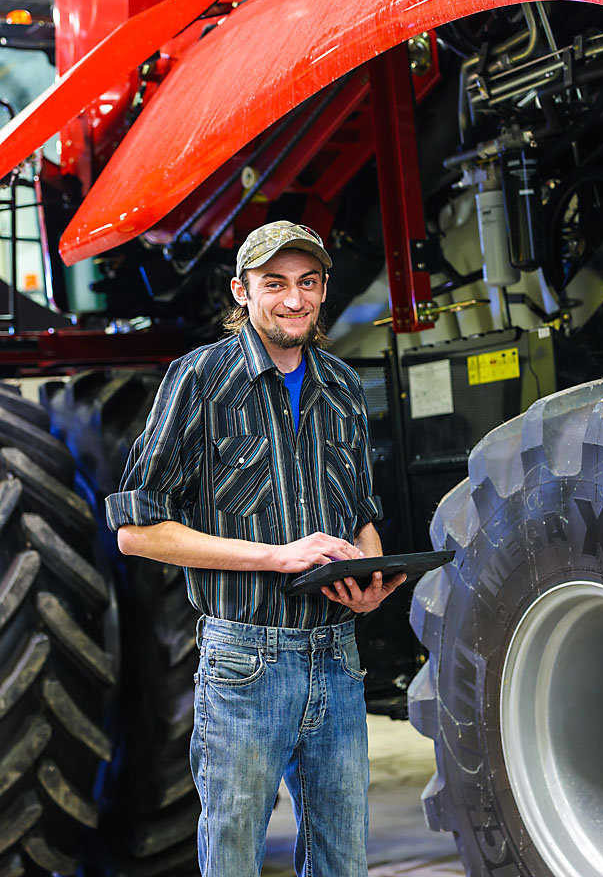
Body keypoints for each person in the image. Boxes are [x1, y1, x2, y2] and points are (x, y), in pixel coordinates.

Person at [106, 220, 406, 877]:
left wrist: (369, 575)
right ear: (243, 292)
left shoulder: (344, 388)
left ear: (325, 289)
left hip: (336, 657)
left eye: (308, 283)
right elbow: (135, 530)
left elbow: (361, 516)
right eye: (275, 284)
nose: (294, 300)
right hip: (246, 663)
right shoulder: (199, 381)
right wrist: (276, 556)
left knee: (343, 856)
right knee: (234, 852)